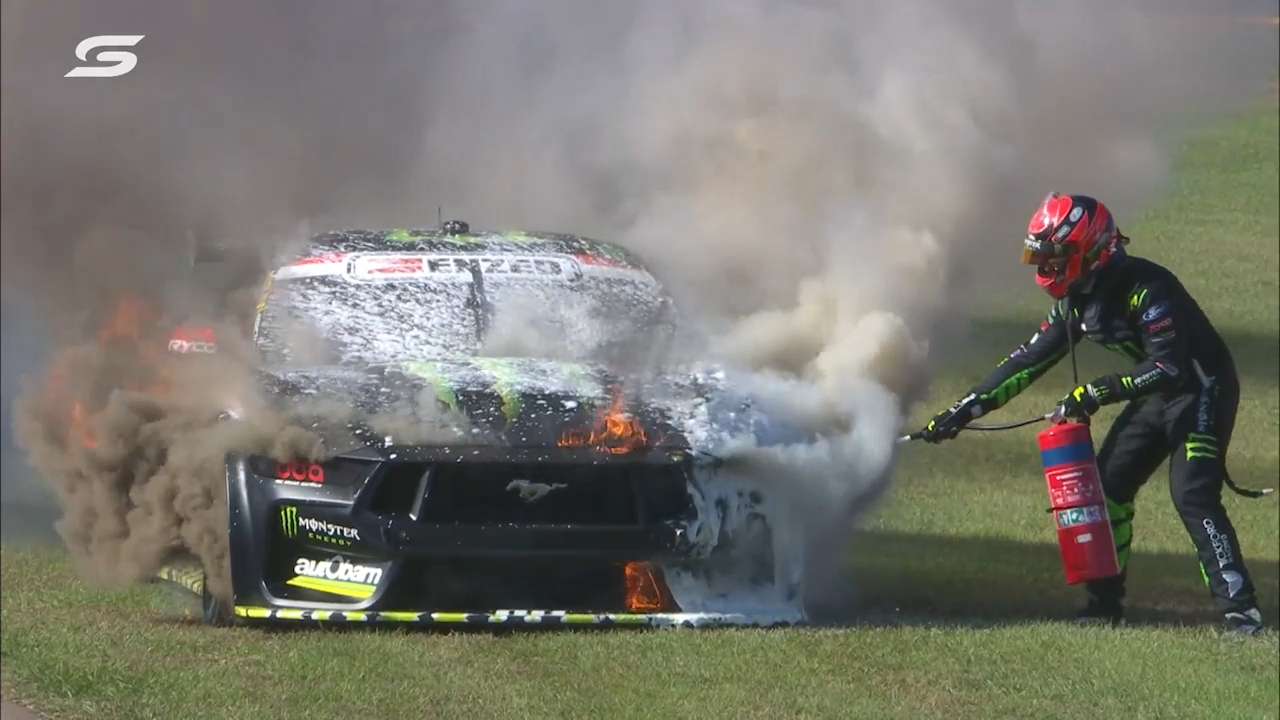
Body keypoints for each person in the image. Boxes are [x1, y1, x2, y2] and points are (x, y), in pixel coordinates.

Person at [916, 192, 1267, 635]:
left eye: (1056, 256)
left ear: (1092, 249)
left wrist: (1094, 391)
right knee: (1107, 490)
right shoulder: (1075, 301)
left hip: (1202, 391)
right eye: (1040, 256)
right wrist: (963, 410)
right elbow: (1025, 362)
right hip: (1157, 395)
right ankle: (1104, 605)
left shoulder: (1147, 289)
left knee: (1192, 494)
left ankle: (1241, 611)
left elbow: (1169, 366)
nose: (1047, 268)